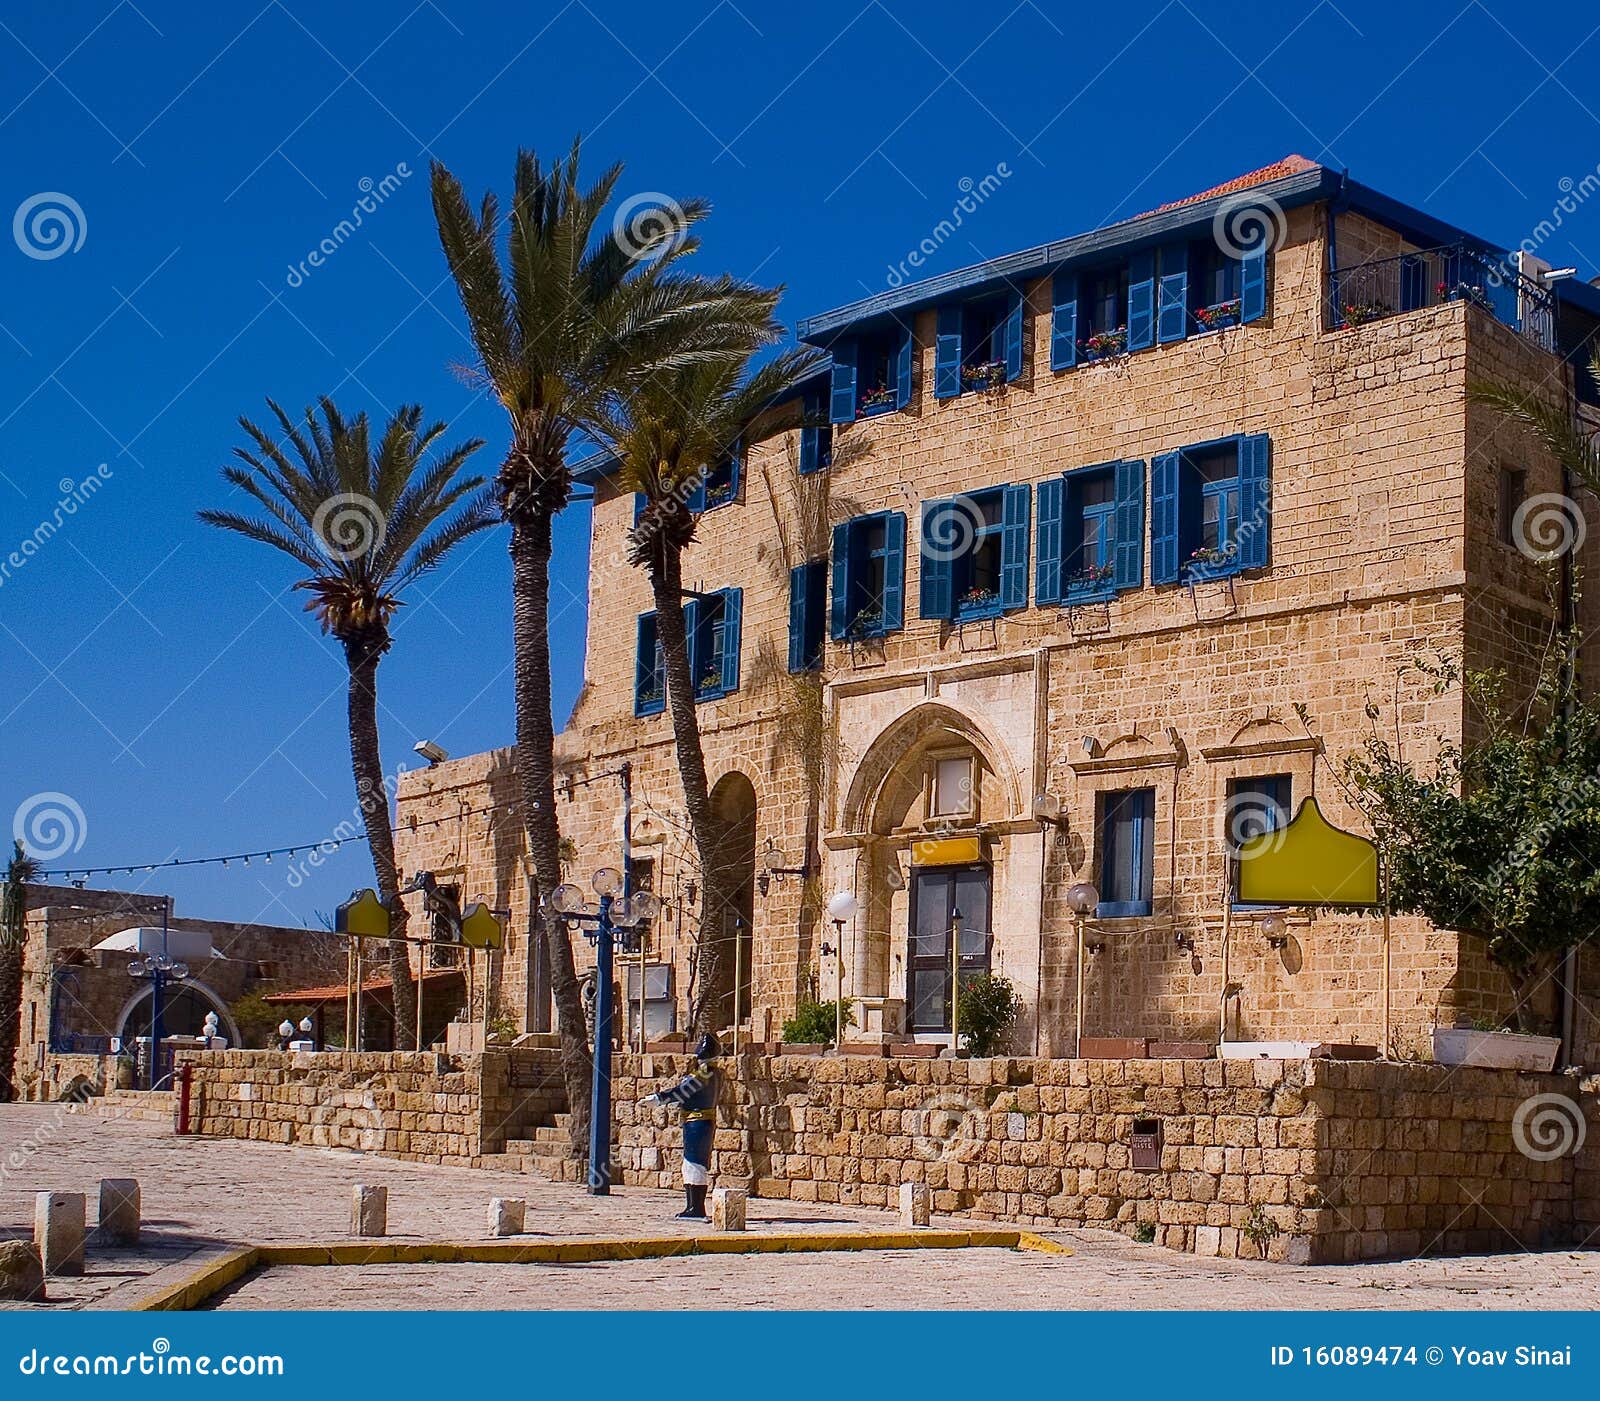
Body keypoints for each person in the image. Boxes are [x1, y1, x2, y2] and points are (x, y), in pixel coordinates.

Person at [642, 1032, 720, 1219]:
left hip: (697, 1121)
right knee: (693, 1165)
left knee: (694, 1165)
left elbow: (683, 1091)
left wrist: (659, 1098)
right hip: (699, 1121)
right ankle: (693, 1206)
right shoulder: (714, 1073)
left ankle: (695, 1208)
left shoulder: (704, 1074)